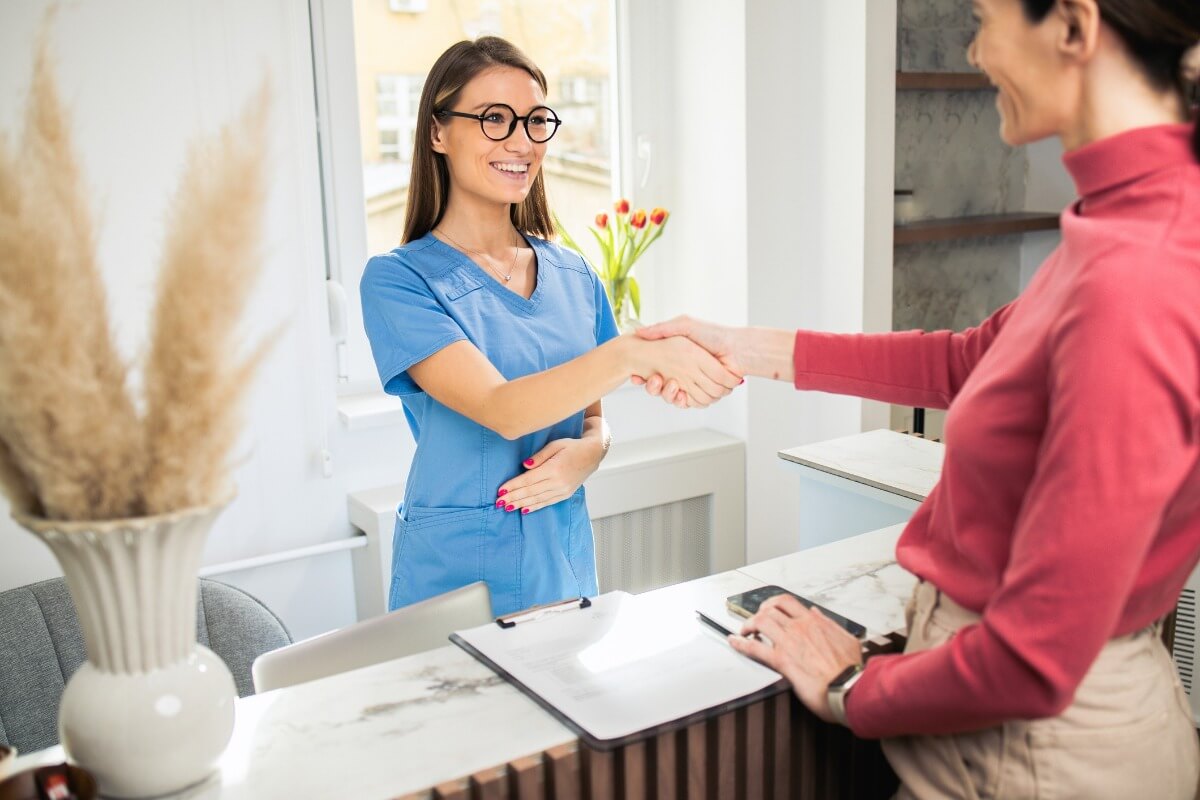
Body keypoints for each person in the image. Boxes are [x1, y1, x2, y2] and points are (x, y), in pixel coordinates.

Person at [636, 0, 1200, 796]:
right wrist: (746, 347)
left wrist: (852, 690)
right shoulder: (1126, 220)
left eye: (983, 17)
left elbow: (1034, 657)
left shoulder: (1140, 273)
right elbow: (971, 360)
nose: (974, 50)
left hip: (1036, 756)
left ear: (1074, 27)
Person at [359, 37, 740, 618]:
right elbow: (502, 408)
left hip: (558, 556)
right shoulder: (399, 281)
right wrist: (633, 353)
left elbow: (592, 417)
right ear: (438, 132)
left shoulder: (573, 274)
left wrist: (592, 452)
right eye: (494, 119)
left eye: (537, 121)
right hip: (455, 574)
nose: (522, 142)